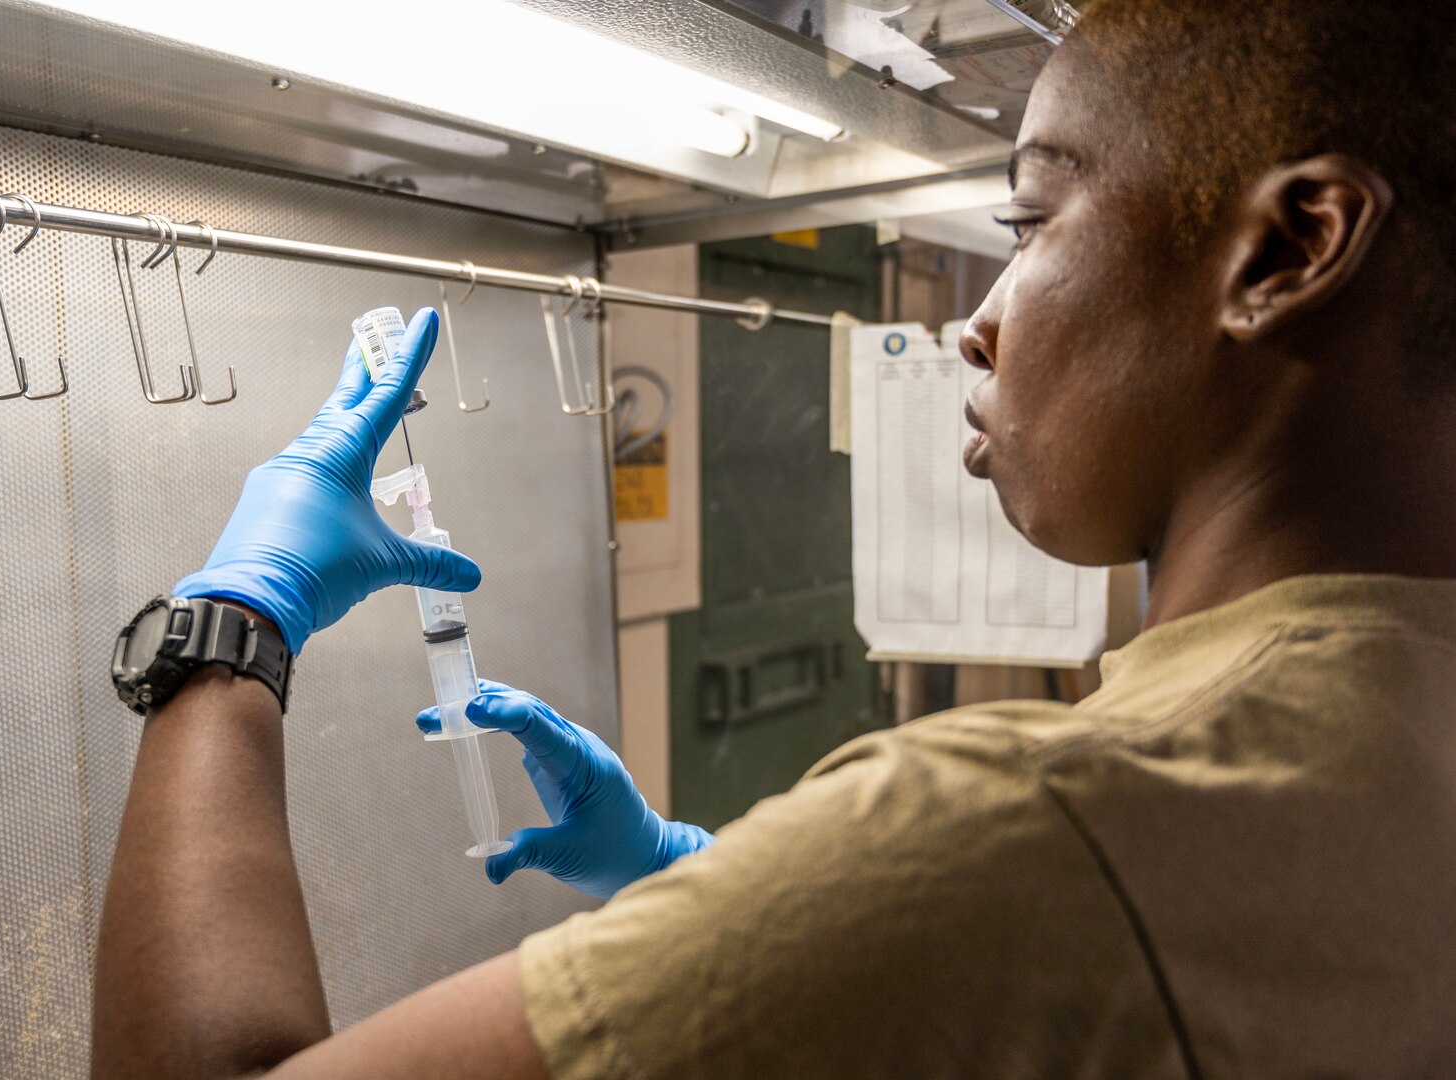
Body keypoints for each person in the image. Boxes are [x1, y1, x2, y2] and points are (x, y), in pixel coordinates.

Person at [89, 0, 1456, 1075]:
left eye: (1030, 220)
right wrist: (722, 892)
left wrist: (233, 624)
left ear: (1292, 247)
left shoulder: (1036, 831)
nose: (981, 322)